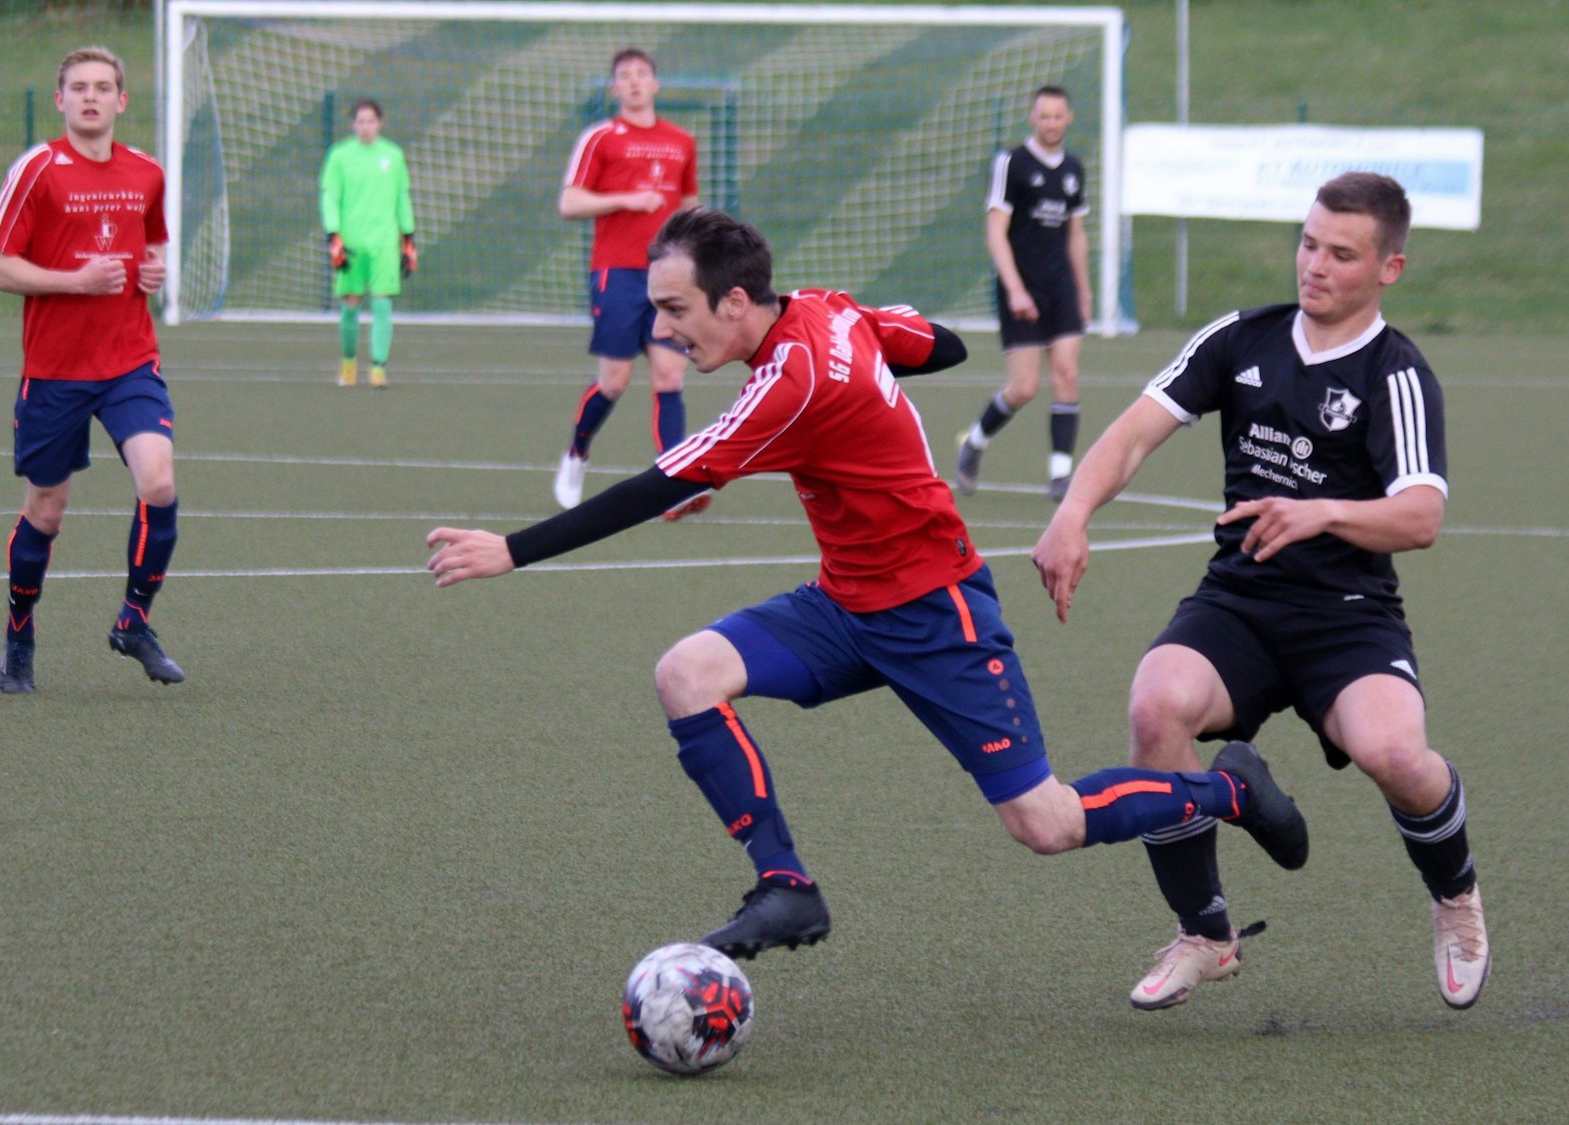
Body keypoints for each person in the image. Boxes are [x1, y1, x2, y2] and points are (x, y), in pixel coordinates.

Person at [427, 207, 1309, 962]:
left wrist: (511, 549)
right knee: (687, 674)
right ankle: (786, 886)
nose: (664, 328)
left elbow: (665, 479)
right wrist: (866, 400)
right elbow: (947, 344)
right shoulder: (830, 313)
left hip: (937, 613)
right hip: (845, 604)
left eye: (675, 309)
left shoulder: (791, 375)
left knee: (1046, 823)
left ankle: (1231, 787)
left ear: (736, 302)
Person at [1031, 172, 1489, 1011]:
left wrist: (1322, 512)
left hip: (1346, 618)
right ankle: (1206, 933)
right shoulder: (1242, 338)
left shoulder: (1397, 374)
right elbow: (1135, 432)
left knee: (1397, 757)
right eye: (1308, 243)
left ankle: (1454, 892)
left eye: (1341, 253)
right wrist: (1073, 514)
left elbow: (1421, 515)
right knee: (1155, 706)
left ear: (1389, 269)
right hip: (1238, 601)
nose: (1314, 265)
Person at [0, 45, 183, 693]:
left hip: (130, 359)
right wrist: (76, 281)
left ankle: (133, 622)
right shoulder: (38, 170)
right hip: (55, 369)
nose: (92, 96)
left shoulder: (148, 173)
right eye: (79, 87)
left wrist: (153, 269)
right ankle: (19, 632)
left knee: (158, 482)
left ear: (122, 100)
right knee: (47, 508)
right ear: (61, 99)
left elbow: (151, 242)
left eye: (104, 87)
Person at [552, 48, 706, 517]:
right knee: (615, 382)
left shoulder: (681, 140)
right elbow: (570, 203)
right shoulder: (601, 138)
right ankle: (577, 452)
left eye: (642, 75)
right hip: (617, 272)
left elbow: (690, 204)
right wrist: (625, 200)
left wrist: (700, 252)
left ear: (656, 84)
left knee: (670, 373)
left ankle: (673, 483)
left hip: (669, 276)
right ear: (615, 88)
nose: (635, 83)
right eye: (625, 76)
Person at [954, 85, 1094, 501]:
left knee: (1068, 373)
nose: (1051, 122)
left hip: (1061, 287)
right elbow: (996, 230)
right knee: (1024, 387)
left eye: (1058, 115)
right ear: (1032, 118)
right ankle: (974, 443)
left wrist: (1084, 290)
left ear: (1069, 118)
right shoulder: (1012, 163)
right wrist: (1015, 289)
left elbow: (1076, 233)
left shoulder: (1074, 169)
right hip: (1022, 286)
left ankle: (1059, 476)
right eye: (1043, 115)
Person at [319, 98, 417, 388]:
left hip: (385, 242)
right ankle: (349, 364)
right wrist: (333, 236)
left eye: (370, 121)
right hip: (351, 242)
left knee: (383, 301)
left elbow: (402, 199)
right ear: (353, 125)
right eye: (360, 121)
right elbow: (330, 197)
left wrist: (408, 239)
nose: (365, 127)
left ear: (380, 122)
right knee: (350, 303)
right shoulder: (339, 156)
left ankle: (377, 369)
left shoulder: (393, 156)